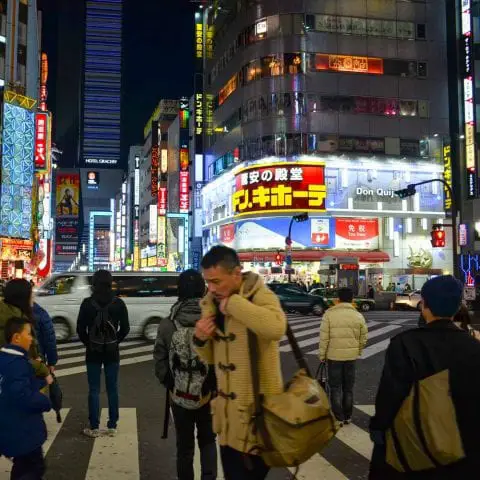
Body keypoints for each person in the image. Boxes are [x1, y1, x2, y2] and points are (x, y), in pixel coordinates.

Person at [370, 275, 480, 478]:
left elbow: (390, 394)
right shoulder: (474, 347)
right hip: (464, 449)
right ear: (457, 307)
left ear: (424, 305)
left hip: (416, 447)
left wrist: (379, 427)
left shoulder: (405, 344)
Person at [193, 246, 286, 480]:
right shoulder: (211, 305)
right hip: (228, 420)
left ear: (236, 273)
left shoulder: (258, 294)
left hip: (257, 418)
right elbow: (213, 359)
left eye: (216, 281)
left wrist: (234, 304)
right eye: (208, 282)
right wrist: (201, 340)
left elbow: (276, 327)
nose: (211, 289)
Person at [154, 269, 217, 480]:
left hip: (179, 395)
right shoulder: (214, 322)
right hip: (209, 395)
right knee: (208, 441)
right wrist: (213, 384)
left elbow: (160, 360)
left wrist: (170, 383)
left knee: (184, 446)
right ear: (203, 290)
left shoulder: (168, 324)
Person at [77, 270, 130, 438]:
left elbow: (80, 329)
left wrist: (90, 344)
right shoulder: (118, 303)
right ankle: (112, 425)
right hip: (112, 353)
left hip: (93, 352)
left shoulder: (87, 303)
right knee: (112, 388)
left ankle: (94, 426)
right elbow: (126, 328)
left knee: (94, 389)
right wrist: (115, 342)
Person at [0, 317, 53, 479]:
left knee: (24, 467)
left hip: (10, 426)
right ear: (16, 337)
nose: (32, 338)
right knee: (33, 468)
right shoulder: (16, 363)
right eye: (28, 334)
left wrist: (42, 381)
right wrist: (45, 402)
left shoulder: (5, 359)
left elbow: (15, 386)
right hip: (23, 431)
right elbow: (22, 395)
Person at [319, 287, 368, 424]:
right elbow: (363, 337)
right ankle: (348, 416)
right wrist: (357, 351)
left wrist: (322, 355)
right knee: (348, 388)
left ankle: (338, 417)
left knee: (335, 387)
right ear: (352, 299)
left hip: (333, 357)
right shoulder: (358, 316)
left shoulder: (329, 314)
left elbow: (324, 338)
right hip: (351, 357)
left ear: (338, 299)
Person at [0, 279, 50, 383]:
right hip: (14, 382)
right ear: (22, 297)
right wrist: (42, 368)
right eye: (31, 294)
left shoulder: (15, 316)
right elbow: (14, 358)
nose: (33, 297)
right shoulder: (14, 323)